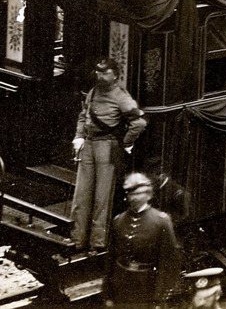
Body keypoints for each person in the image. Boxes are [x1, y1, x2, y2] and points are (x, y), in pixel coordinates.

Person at [72, 58, 147, 252]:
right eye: (98, 72)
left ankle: (98, 243)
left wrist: (126, 142)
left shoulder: (121, 97)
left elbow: (138, 123)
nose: (100, 76)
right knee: (82, 194)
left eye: (105, 73)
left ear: (115, 75)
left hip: (107, 146)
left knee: (102, 197)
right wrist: (79, 136)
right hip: (88, 144)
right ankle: (77, 239)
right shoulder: (93, 92)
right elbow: (83, 115)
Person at [105, 172, 182, 309]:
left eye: (138, 194)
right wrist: (108, 294)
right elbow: (111, 259)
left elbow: (169, 262)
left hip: (147, 288)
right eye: (131, 194)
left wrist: (160, 298)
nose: (134, 198)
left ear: (148, 195)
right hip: (121, 286)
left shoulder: (161, 221)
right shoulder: (119, 221)